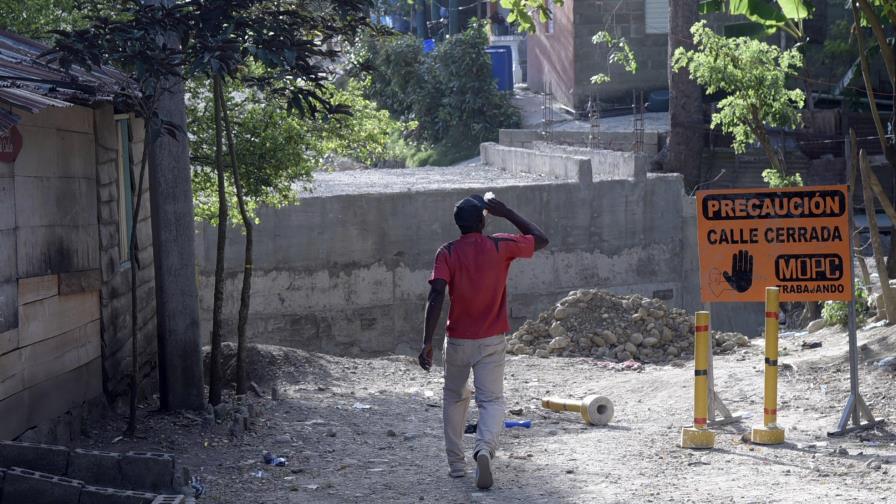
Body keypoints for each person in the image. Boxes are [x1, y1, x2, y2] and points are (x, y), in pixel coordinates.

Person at [418, 194, 549, 489]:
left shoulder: (447, 252)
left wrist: (426, 340)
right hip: (491, 339)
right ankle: (483, 449)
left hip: (458, 340)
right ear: (482, 220)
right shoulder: (500, 244)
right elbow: (541, 239)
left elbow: (436, 294)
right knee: (491, 400)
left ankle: (456, 467)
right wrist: (508, 211)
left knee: (454, 397)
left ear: (458, 224)